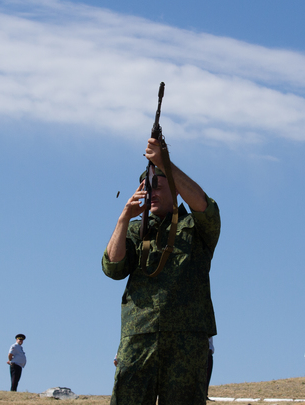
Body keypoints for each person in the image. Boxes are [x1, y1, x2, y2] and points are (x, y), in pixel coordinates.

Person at [102, 137, 221, 405]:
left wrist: (164, 163)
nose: (151, 191)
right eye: (145, 186)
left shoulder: (195, 228)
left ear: (176, 189)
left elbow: (205, 205)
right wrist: (124, 218)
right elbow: (113, 266)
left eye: (158, 184)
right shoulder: (135, 230)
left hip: (186, 340)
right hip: (139, 335)